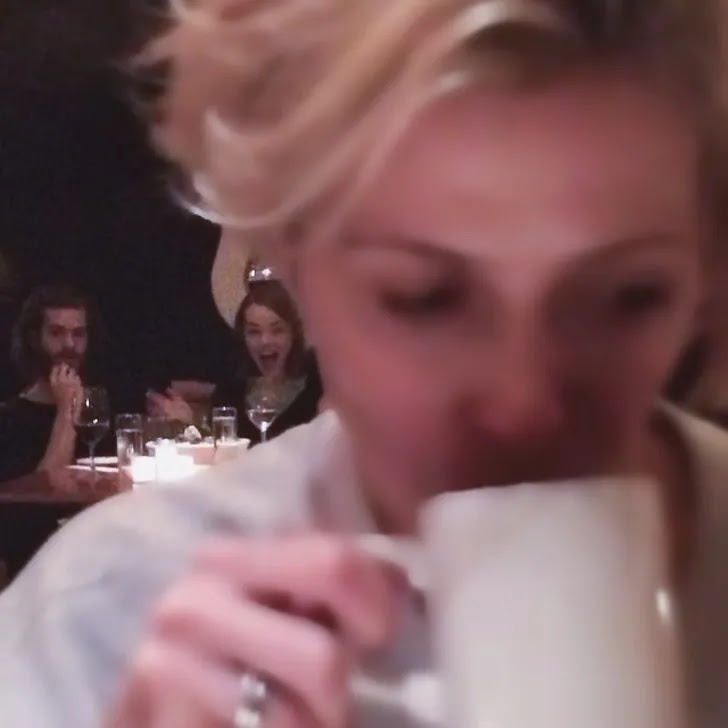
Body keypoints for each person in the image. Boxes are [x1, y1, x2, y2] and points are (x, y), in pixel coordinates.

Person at [2, 1, 728, 725]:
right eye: (424, 299)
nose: (524, 402)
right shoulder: (105, 620)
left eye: (628, 298)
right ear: (289, 255)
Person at [147, 279, 323, 443]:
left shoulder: (319, 387)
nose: (265, 341)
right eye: (254, 332)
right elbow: (223, 452)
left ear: (294, 334)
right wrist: (191, 422)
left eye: (277, 330)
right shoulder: (232, 389)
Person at [0, 285, 103, 482]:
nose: (69, 344)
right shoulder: (9, 422)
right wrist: (66, 412)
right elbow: (40, 492)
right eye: (56, 333)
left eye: (78, 334)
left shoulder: (99, 410)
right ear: (34, 339)